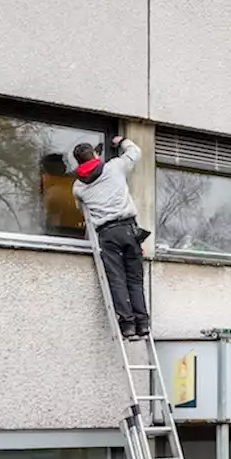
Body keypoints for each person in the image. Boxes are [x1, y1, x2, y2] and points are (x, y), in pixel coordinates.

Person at [73, 136, 150, 339]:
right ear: (95, 155)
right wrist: (122, 141)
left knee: (117, 280)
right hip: (128, 230)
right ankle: (143, 324)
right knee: (134, 279)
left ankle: (127, 326)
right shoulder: (114, 167)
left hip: (106, 235)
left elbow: (81, 209)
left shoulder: (78, 187)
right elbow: (135, 153)